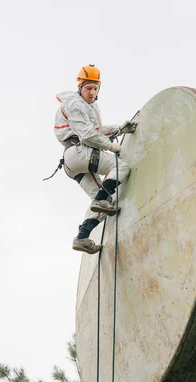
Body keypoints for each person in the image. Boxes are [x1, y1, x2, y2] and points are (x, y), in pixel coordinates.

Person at [54, 64, 137, 254]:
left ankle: (82, 238)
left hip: (72, 162)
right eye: (88, 88)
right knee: (121, 168)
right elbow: (87, 135)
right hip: (79, 152)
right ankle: (101, 201)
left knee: (101, 201)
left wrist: (119, 128)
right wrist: (110, 146)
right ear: (80, 87)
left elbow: (96, 131)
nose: (92, 92)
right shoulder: (75, 103)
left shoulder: (88, 107)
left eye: (95, 88)